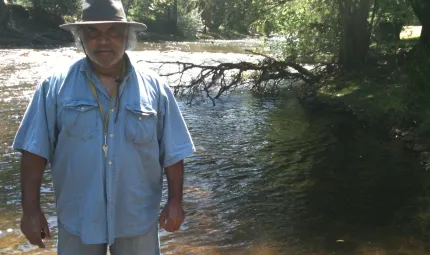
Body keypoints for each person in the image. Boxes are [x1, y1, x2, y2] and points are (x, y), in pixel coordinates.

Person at [12, 0, 195, 254]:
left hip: (137, 219)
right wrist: (30, 211)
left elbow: (173, 151)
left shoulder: (156, 89)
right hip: (78, 218)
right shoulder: (53, 87)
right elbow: (34, 152)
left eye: (113, 32)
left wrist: (176, 201)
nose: (103, 41)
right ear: (81, 38)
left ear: (127, 37)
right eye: (93, 32)